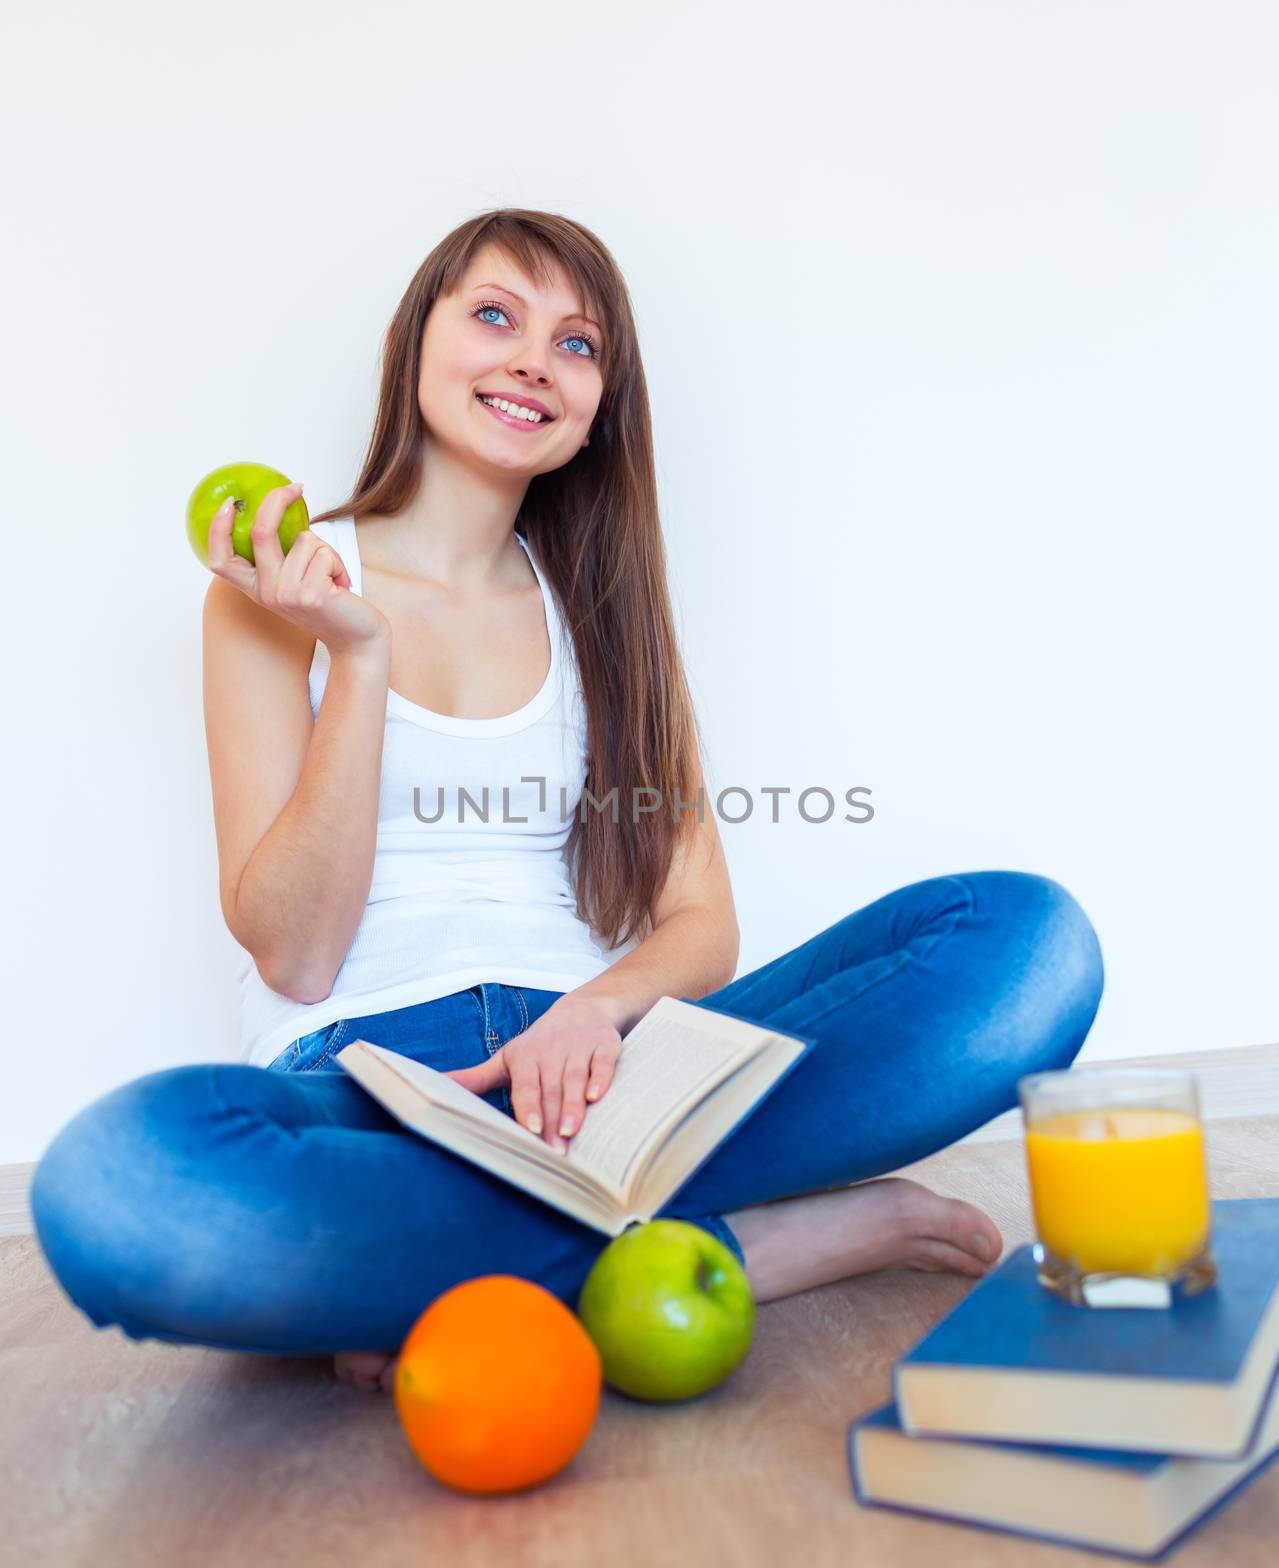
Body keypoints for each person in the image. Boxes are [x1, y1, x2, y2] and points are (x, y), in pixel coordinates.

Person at [30, 209, 1104, 1395]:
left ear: (601, 403)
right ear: (415, 342)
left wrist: (594, 1016)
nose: (534, 359)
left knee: (1026, 942)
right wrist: (362, 658)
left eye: (577, 343)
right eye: (494, 314)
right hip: (369, 1084)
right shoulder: (274, 585)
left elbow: (704, 924)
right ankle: (745, 1245)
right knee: (117, 1180)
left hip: (611, 1070)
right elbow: (294, 949)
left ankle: (446, 1279)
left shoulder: (604, 613)